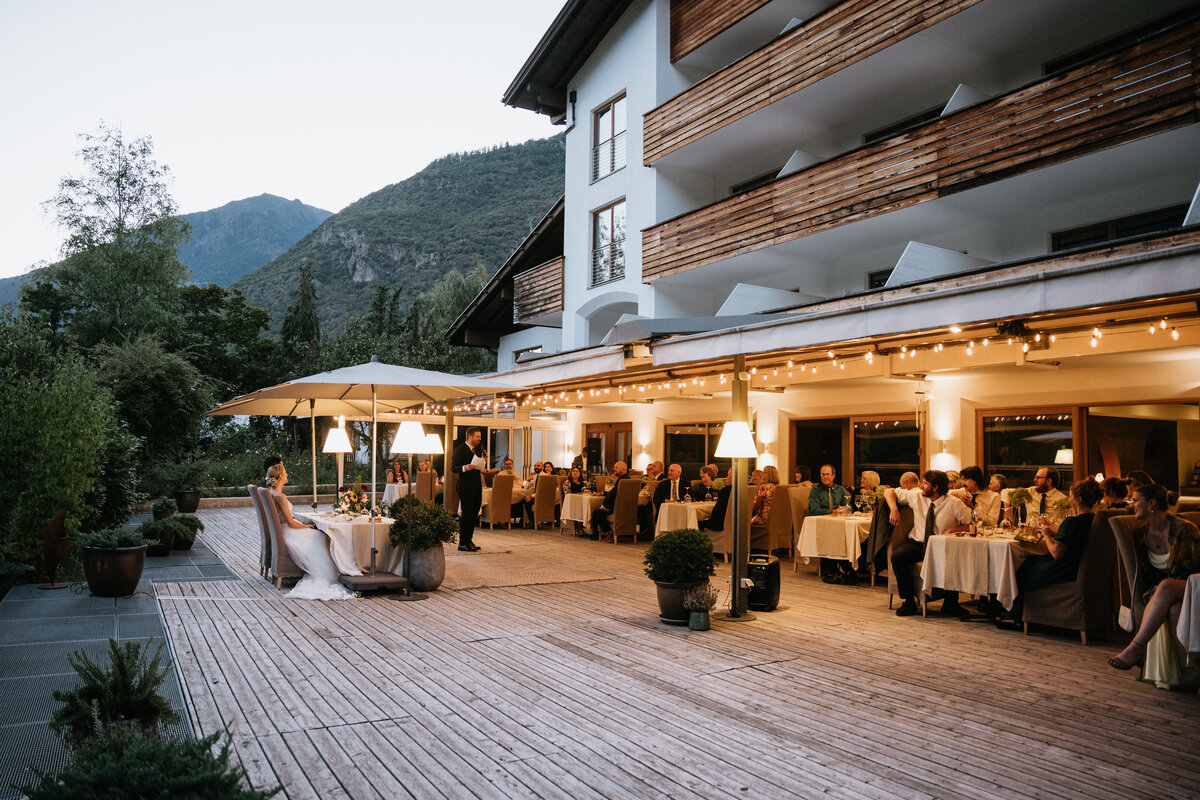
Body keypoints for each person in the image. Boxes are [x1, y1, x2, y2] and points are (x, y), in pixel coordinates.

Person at [1108, 484, 1200, 679]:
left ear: (1151, 503)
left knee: (1167, 586)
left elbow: (1193, 573)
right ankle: (1196, 672)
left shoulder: (1185, 530)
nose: (1131, 505)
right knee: (1174, 611)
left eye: (1135, 500)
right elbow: (1147, 577)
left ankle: (1137, 646)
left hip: (1194, 586)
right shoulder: (1140, 536)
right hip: (1164, 594)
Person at [996, 478, 1103, 629]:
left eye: (1071, 496)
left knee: (1021, 567)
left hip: (1063, 569)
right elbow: (1072, 536)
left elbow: (1056, 553)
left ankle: (1015, 616)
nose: (1069, 499)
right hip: (1079, 567)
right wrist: (1053, 528)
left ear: (1078, 499)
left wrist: (1046, 534)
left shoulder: (1072, 522)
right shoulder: (1093, 520)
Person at [885, 470, 972, 617]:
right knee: (897, 557)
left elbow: (971, 524)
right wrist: (894, 509)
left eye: (925, 483)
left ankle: (951, 604)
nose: (921, 486)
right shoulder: (916, 496)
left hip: (940, 545)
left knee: (953, 559)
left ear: (935, 487)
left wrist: (953, 530)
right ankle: (909, 602)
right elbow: (889, 491)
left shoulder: (954, 504)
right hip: (918, 543)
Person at [264, 463, 353, 600]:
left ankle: (338, 567)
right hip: (289, 532)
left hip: (282, 531)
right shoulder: (280, 496)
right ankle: (336, 570)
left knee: (318, 533)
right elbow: (291, 523)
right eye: (285, 473)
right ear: (281, 476)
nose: (287, 475)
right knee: (322, 536)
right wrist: (306, 527)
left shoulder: (270, 493)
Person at [451, 427, 485, 552]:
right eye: (477, 436)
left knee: (474, 514)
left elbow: (478, 466)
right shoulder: (459, 450)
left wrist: (484, 461)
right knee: (466, 515)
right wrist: (465, 468)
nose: (479, 439)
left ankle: (469, 540)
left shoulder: (478, 450)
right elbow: (454, 468)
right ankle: (462, 542)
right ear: (470, 437)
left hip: (477, 486)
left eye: (480, 436)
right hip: (465, 487)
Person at [591, 461, 631, 540]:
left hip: (617, 508)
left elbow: (613, 494)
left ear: (623, 469)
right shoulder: (627, 479)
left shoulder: (622, 480)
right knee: (598, 512)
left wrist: (605, 506)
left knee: (597, 513)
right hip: (624, 508)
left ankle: (609, 532)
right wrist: (602, 493)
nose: (614, 469)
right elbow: (614, 492)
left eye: (616, 467)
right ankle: (596, 534)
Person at [699, 468, 734, 532]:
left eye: (728, 475)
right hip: (736, 523)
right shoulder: (744, 489)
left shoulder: (725, 491)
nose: (727, 477)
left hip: (720, 525)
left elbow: (716, 513)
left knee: (697, 523)